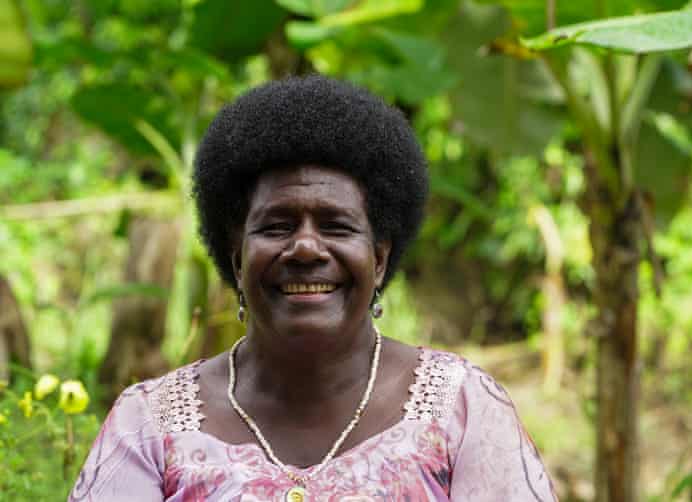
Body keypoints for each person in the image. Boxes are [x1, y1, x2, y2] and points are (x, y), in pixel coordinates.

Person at [70, 76, 557, 501]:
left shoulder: (460, 409)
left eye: (336, 226)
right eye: (277, 226)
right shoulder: (150, 425)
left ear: (379, 260)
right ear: (237, 260)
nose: (305, 247)